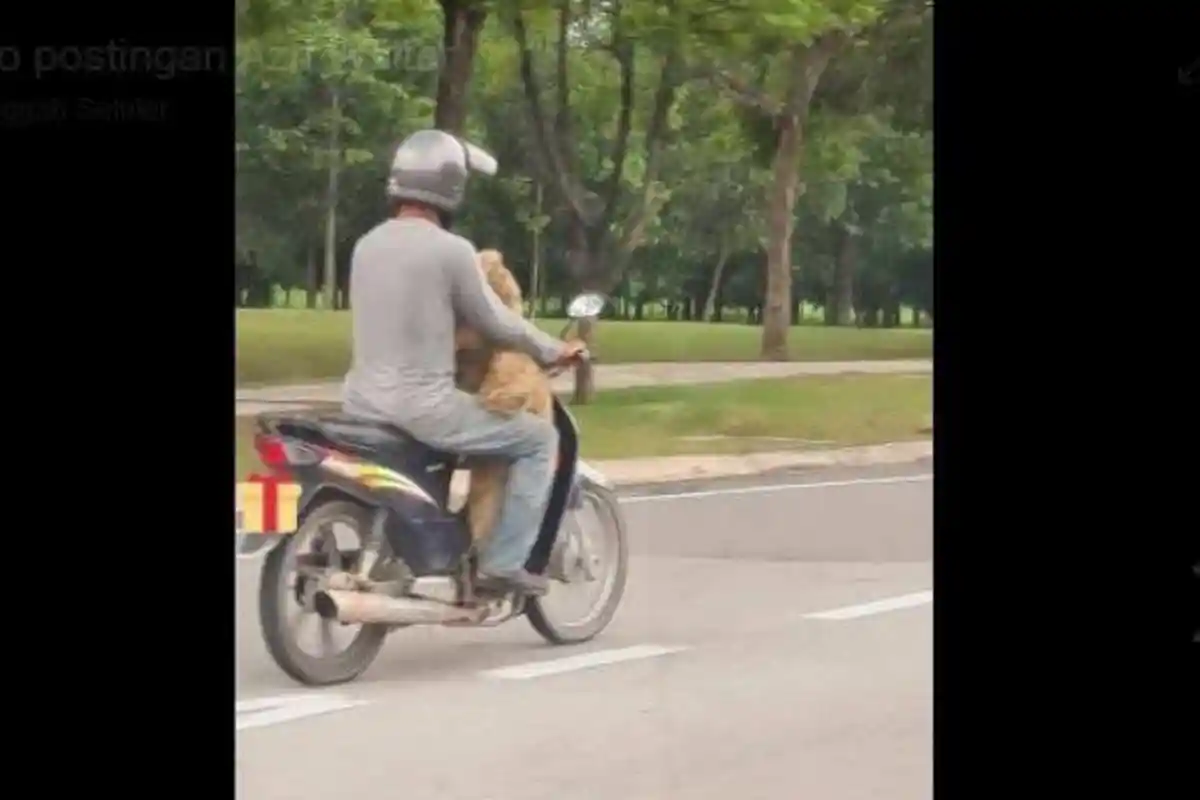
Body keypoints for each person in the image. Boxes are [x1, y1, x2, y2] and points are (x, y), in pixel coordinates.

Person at [341, 129, 584, 595]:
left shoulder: (366, 245)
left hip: (361, 401)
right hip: (424, 408)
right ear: (451, 187)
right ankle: (502, 564)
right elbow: (498, 322)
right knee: (537, 439)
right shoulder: (452, 252)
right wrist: (554, 349)